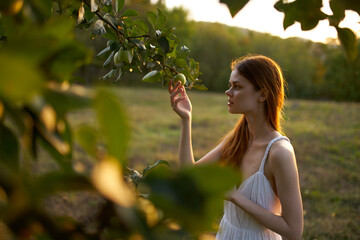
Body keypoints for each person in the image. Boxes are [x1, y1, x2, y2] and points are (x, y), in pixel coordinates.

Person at [168, 54, 303, 240]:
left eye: (237, 87)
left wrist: (235, 197)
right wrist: (186, 119)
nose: (228, 92)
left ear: (262, 94)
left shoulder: (279, 153)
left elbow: (293, 230)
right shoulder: (237, 140)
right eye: (230, 85)